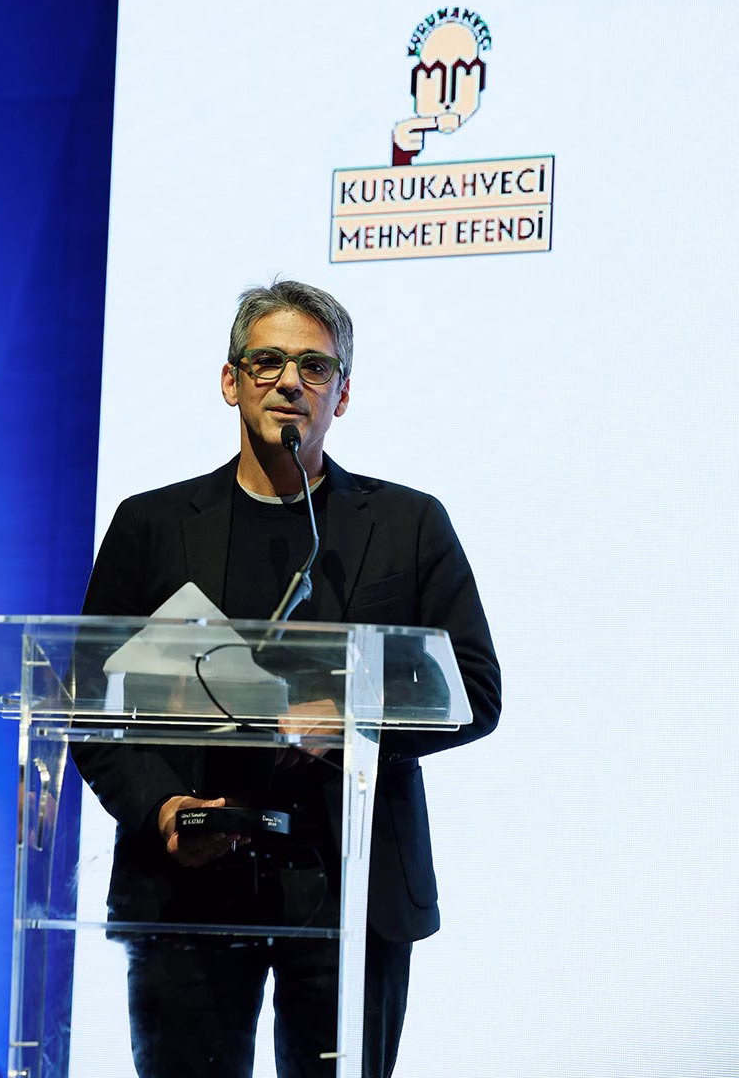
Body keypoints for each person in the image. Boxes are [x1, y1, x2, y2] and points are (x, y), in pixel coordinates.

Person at [72, 279, 500, 1078]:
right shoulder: (150, 525)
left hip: (352, 887)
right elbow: (87, 706)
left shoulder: (408, 525)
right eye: (266, 361)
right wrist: (163, 809)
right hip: (190, 879)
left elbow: (473, 690)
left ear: (343, 394)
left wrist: (350, 719)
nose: (289, 381)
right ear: (230, 381)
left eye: (314, 365)